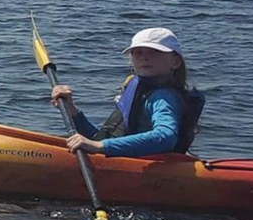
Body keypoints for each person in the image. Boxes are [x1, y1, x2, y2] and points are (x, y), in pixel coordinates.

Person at [50, 27, 204, 158]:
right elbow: (103, 137)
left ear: (175, 62)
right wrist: (72, 110)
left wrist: (100, 146)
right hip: (128, 158)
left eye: (154, 52)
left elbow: (166, 137)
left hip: (152, 168)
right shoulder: (137, 89)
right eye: (138, 53)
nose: (145, 57)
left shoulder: (163, 98)